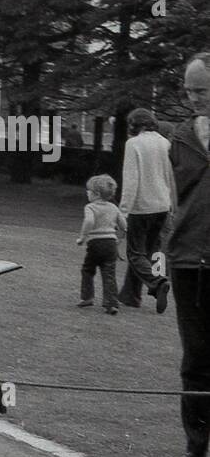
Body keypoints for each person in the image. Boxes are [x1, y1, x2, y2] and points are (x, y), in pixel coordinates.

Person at [166, 51, 210, 457]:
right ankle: (195, 449)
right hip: (187, 260)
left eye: (201, 90)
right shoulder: (180, 138)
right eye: (189, 90)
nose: (193, 97)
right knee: (195, 358)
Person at [116, 108, 174, 312]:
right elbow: (170, 177)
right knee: (148, 252)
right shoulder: (165, 143)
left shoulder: (133, 144)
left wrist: (122, 212)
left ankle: (158, 283)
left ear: (134, 124)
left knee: (134, 254)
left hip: (142, 207)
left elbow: (131, 181)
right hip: (162, 205)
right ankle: (130, 296)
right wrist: (171, 206)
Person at [76, 174, 126, 315]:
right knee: (109, 273)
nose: (87, 193)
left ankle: (87, 297)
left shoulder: (90, 207)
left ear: (96, 194)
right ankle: (111, 303)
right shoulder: (114, 208)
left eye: (89, 191)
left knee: (88, 269)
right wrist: (119, 239)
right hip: (111, 244)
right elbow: (124, 225)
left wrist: (82, 237)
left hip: (95, 244)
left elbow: (89, 222)